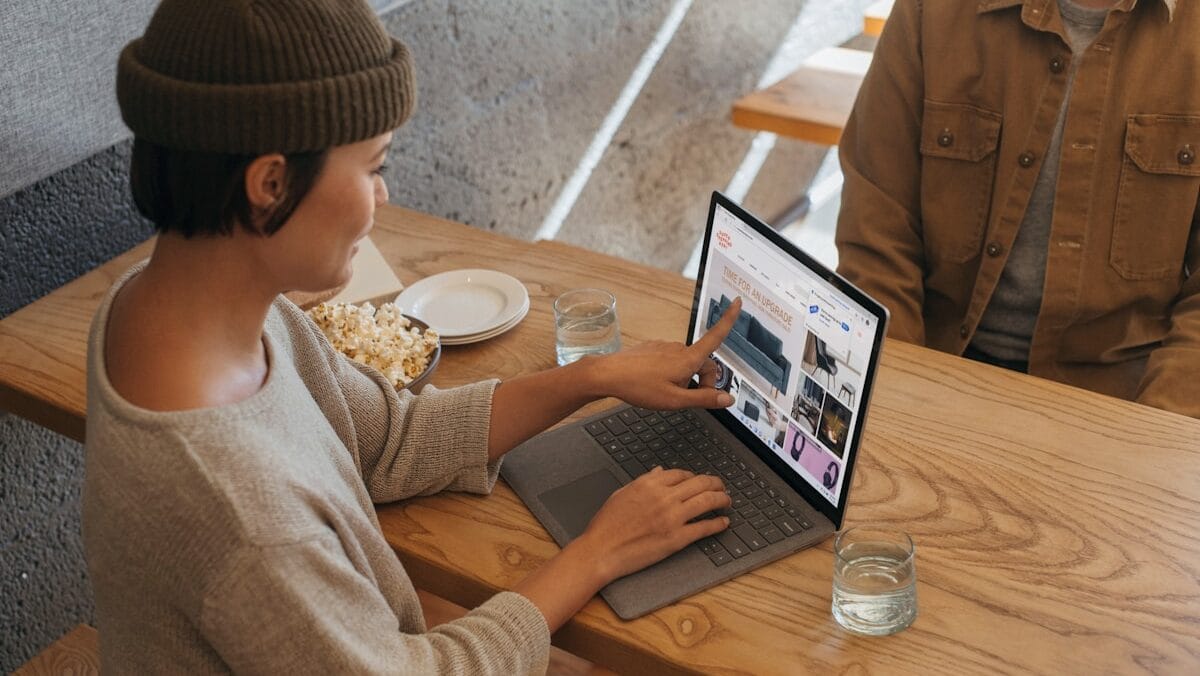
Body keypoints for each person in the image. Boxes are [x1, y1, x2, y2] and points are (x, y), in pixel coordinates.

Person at [83, 0, 744, 672]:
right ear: (271, 183)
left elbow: (386, 439)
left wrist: (593, 378)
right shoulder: (242, 512)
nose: (385, 194)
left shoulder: (179, 305)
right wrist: (599, 551)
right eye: (371, 167)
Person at [835, 0, 1200, 418]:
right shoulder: (933, 11)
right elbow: (876, 228)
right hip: (933, 362)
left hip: (1121, 396)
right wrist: (897, 401)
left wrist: (1154, 432)